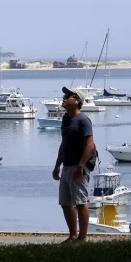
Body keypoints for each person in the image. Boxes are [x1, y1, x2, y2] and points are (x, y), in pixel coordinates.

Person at [52, 86, 96, 242]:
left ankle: (82, 238)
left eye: (68, 96)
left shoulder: (83, 120)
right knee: (65, 203)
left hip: (79, 168)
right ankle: (72, 235)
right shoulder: (66, 119)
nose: (64, 98)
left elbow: (89, 145)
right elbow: (64, 144)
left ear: (77, 101)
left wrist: (81, 166)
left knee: (80, 202)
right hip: (66, 166)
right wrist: (57, 165)